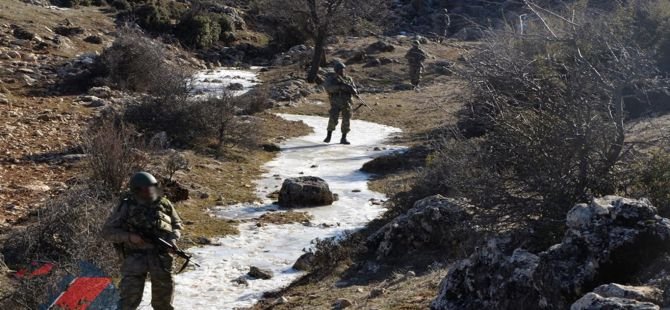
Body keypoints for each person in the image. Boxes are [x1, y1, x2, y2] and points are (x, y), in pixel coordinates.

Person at [103, 172, 183, 310]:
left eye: (152, 188)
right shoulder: (126, 206)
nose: (150, 192)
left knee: (163, 304)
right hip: (135, 260)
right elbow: (108, 232)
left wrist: (173, 239)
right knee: (128, 302)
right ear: (136, 190)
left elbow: (177, 224)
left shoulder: (164, 203)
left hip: (161, 259)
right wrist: (129, 237)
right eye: (146, 189)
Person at [323, 61, 358, 145]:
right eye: (340, 69)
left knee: (346, 120)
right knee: (333, 118)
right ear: (336, 70)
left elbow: (354, 89)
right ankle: (328, 136)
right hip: (336, 101)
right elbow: (329, 88)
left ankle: (344, 138)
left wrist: (352, 90)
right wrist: (341, 87)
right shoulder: (331, 79)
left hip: (347, 102)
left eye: (343, 69)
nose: (342, 71)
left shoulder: (348, 79)